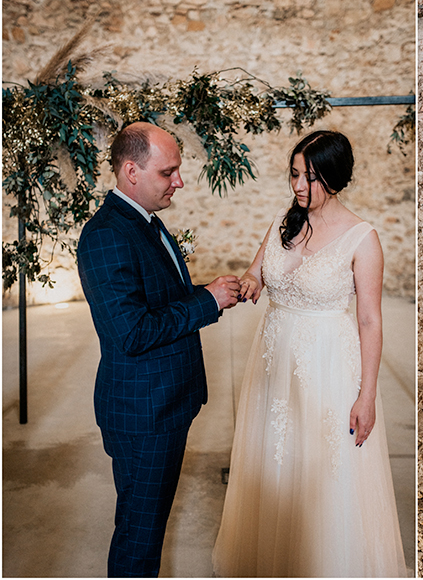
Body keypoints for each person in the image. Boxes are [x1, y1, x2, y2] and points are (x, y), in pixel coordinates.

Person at [212, 130, 407, 577]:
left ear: (335, 178)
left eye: (311, 178)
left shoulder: (363, 239)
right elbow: (257, 272)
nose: (299, 186)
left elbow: (370, 321)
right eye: (295, 174)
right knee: (275, 465)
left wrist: (367, 396)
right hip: (273, 366)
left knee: (322, 474)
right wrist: (251, 283)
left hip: (328, 369)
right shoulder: (286, 219)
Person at [77, 122, 242, 577]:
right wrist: (206, 302)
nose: (180, 181)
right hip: (143, 414)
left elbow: (162, 299)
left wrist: (205, 296)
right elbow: (131, 333)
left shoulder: (144, 220)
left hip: (165, 405)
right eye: (168, 172)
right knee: (139, 536)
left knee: (146, 527)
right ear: (131, 171)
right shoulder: (107, 234)